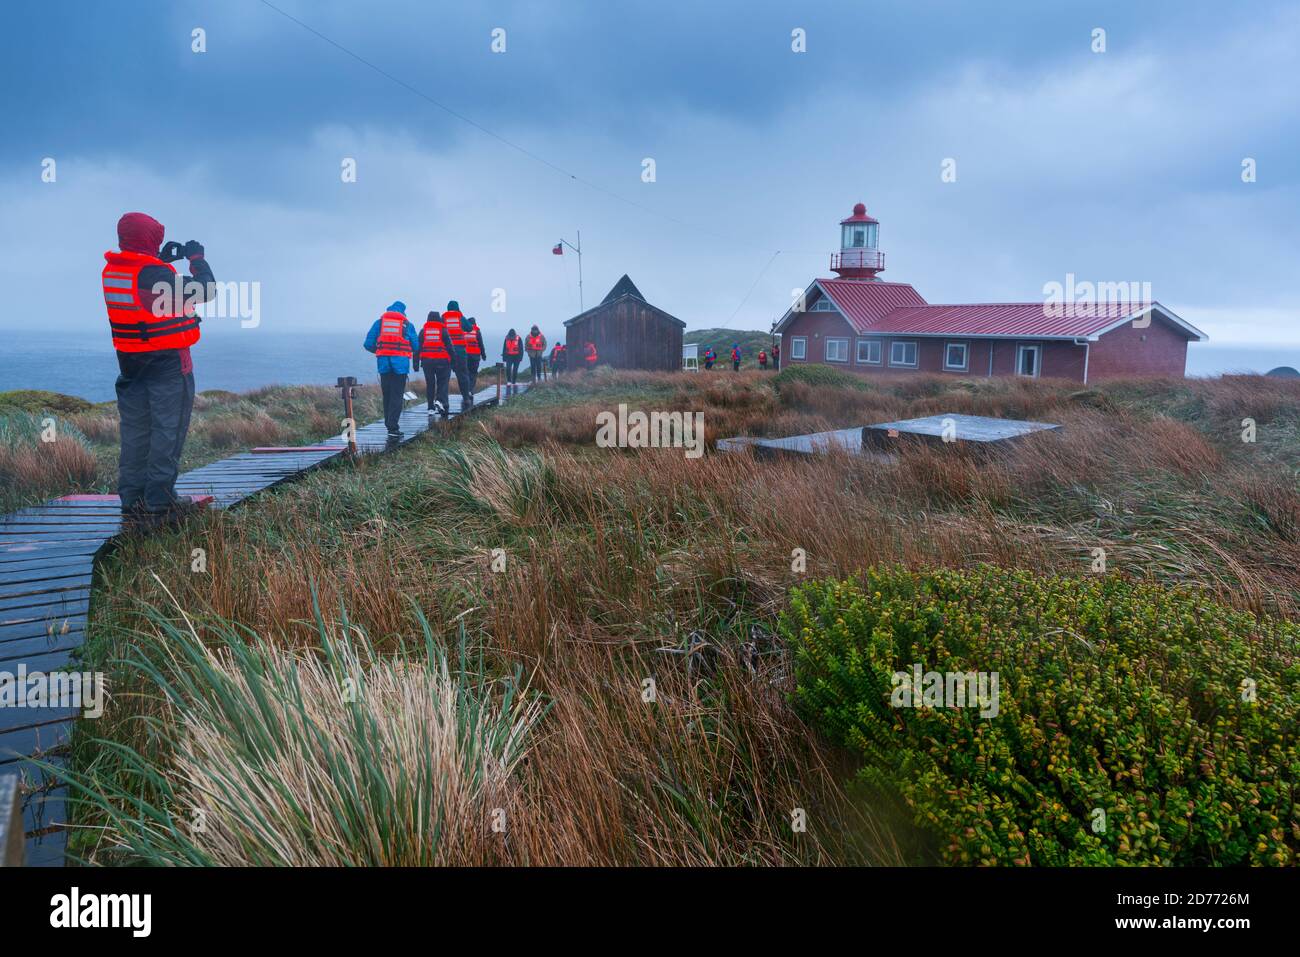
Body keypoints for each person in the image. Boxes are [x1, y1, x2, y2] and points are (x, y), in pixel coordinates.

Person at [103, 212, 214, 520]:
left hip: (130, 365)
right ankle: (161, 501)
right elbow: (206, 290)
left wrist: (159, 259)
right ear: (148, 239)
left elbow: (146, 297)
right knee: (167, 431)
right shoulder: (152, 273)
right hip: (167, 365)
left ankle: (132, 498)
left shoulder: (114, 269)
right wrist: (197, 258)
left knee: (136, 433)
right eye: (157, 239)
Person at [363, 300, 419, 441]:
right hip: (400, 366)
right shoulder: (407, 324)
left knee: (387, 395)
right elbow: (416, 346)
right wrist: (405, 350)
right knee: (397, 396)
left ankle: (389, 424)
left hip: (384, 365)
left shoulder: (379, 323)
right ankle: (393, 427)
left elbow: (368, 344)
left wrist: (380, 350)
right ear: (402, 312)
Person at [415, 310, 454, 416]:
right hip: (442, 361)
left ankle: (430, 408)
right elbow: (450, 347)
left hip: (427, 362)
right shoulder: (443, 330)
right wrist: (453, 361)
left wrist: (415, 364)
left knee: (430, 384)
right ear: (439, 319)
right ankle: (439, 400)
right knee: (442, 381)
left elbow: (417, 349)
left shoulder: (423, 331)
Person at [442, 300, 473, 409]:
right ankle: (466, 398)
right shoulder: (460, 316)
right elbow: (469, 328)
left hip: (446, 351)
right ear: (457, 307)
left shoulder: (443, 317)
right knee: (463, 375)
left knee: (444, 377)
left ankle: (444, 402)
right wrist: (462, 314)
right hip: (459, 350)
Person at [462, 315, 485, 398]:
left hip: (465, 355)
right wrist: (483, 355)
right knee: (473, 373)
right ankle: (470, 390)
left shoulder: (463, 331)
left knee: (466, 373)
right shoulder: (477, 331)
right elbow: (480, 344)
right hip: (475, 355)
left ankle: (466, 390)